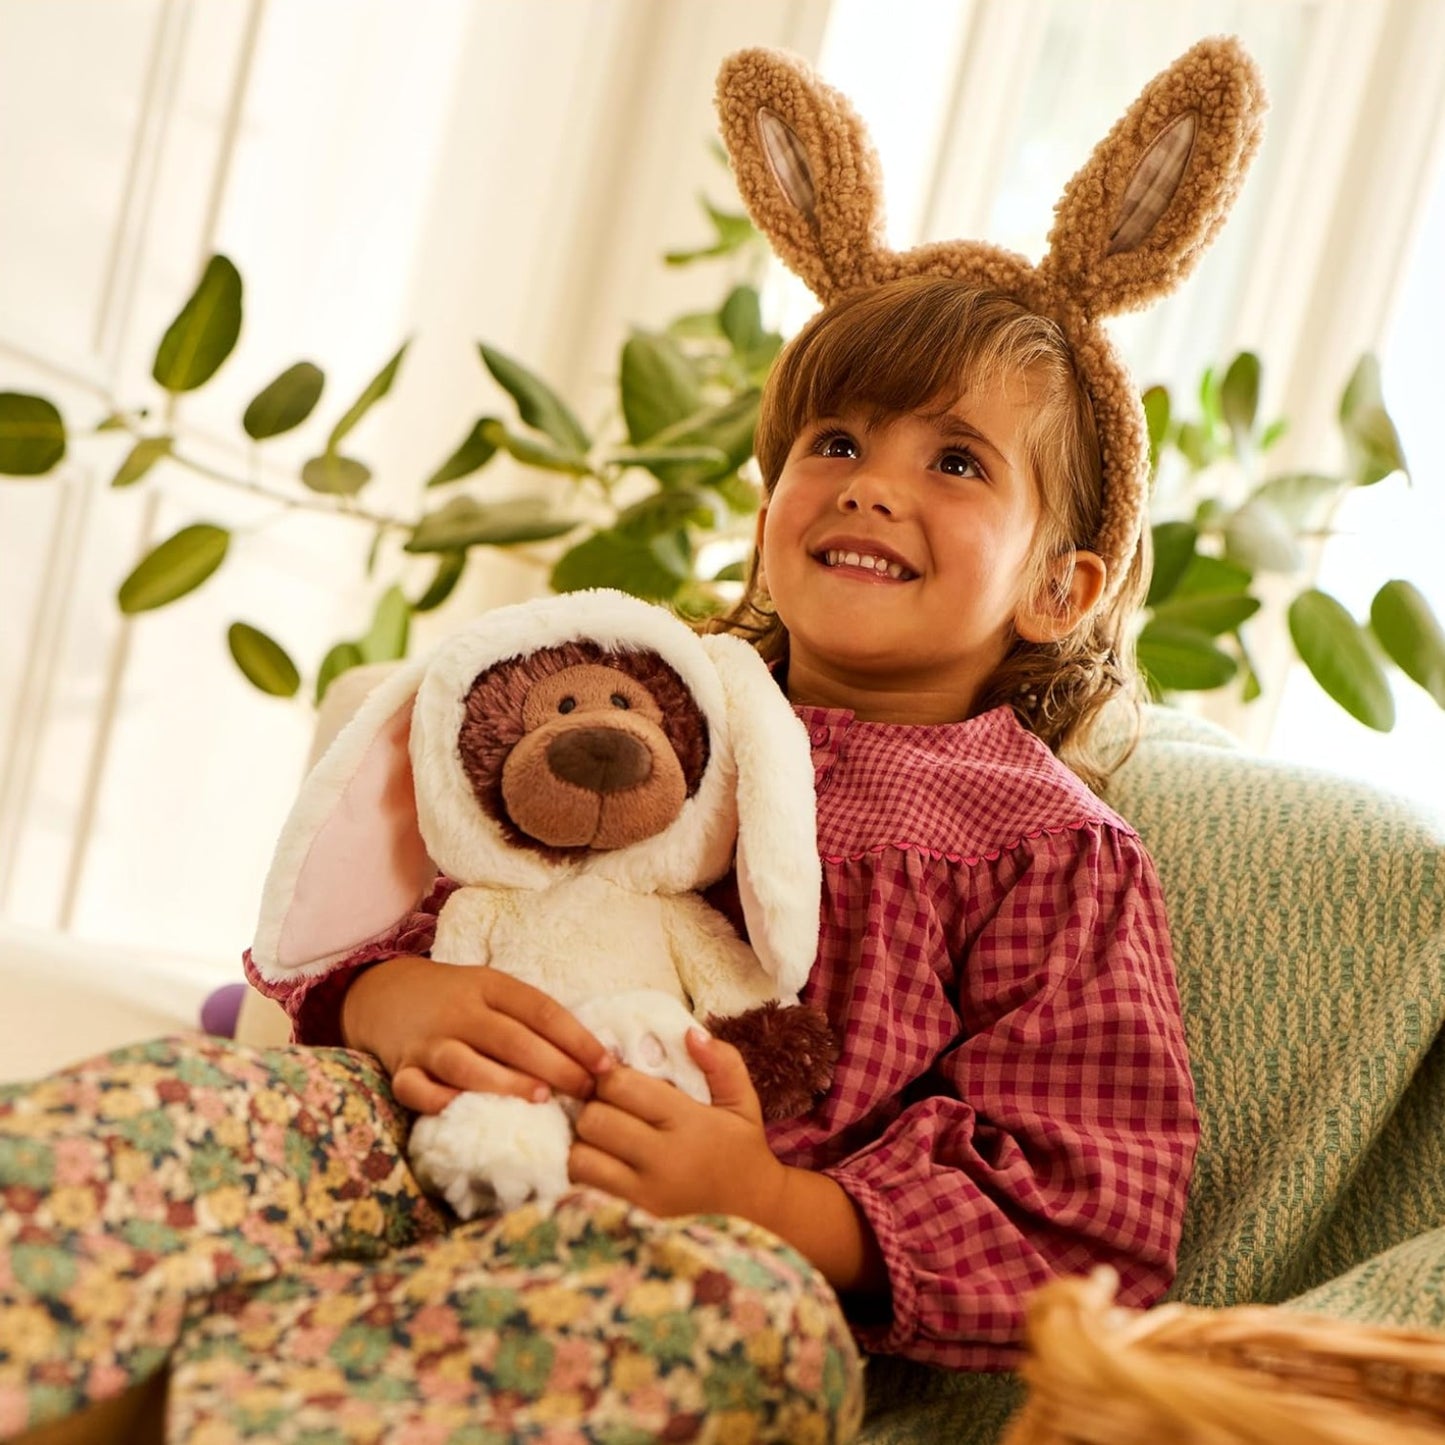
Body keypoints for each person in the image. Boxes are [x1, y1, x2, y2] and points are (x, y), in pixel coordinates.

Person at [2, 36, 1264, 1445]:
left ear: (1060, 588)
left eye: (956, 460)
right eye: (835, 443)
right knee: (191, 1111)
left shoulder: (1050, 850)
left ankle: (262, 1405)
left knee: (748, 1331)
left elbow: (1093, 1224)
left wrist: (782, 1205)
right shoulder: (639, 696)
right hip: (431, 1148)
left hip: (692, 1262)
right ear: (770, 502)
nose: (869, 487)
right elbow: (416, 893)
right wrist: (381, 1000)